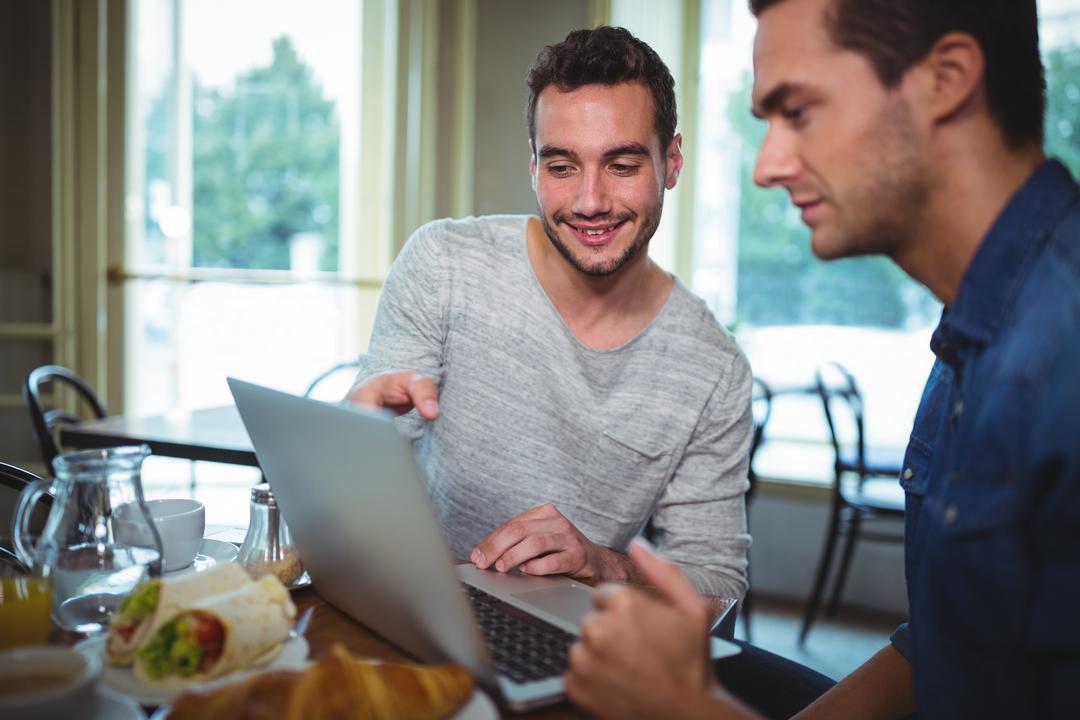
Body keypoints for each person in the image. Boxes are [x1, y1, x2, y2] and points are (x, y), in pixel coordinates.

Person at [565, 0, 1080, 718]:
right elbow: (945, 642)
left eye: (798, 112)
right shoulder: (976, 328)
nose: (767, 167)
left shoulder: (1061, 359)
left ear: (948, 77)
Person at [347, 27, 753, 599]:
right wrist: (352, 435)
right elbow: (361, 478)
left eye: (622, 165)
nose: (590, 202)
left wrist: (604, 566)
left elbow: (719, 588)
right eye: (562, 167)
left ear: (672, 162)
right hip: (405, 602)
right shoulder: (444, 263)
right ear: (534, 168)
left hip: (568, 646)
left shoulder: (714, 369)